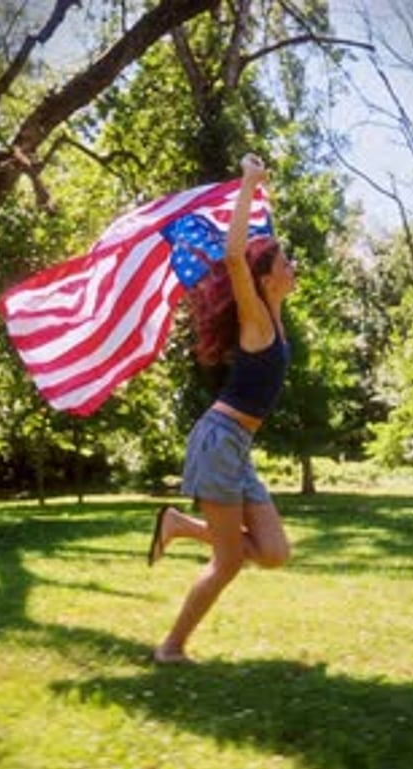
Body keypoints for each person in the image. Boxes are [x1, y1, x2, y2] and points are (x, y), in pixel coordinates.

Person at [148, 153, 296, 664]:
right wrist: (249, 184)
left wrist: (262, 204)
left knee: (274, 553)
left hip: (237, 448)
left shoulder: (273, 319)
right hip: (219, 441)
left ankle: (178, 525)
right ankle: (171, 648)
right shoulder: (255, 318)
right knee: (228, 562)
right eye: (285, 262)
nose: (292, 266)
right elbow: (237, 257)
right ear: (268, 278)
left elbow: (252, 253)